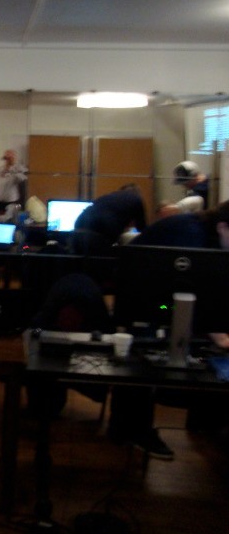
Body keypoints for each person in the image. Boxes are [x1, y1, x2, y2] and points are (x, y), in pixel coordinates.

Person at [108, 199, 229, 459]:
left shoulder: (206, 235)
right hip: (149, 300)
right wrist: (217, 334)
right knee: (140, 359)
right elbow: (190, 291)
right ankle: (132, 430)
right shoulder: (192, 235)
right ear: (222, 227)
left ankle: (202, 422)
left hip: (160, 298)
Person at [71, 184, 146, 255]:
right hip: (100, 233)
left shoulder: (109, 196)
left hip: (79, 226)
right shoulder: (137, 200)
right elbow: (142, 228)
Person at [0, 149, 27, 217]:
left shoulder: (18, 169)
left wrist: (12, 167)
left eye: (10, 158)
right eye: (6, 158)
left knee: (11, 219)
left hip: (12, 203)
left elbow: (22, 178)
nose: (8, 160)